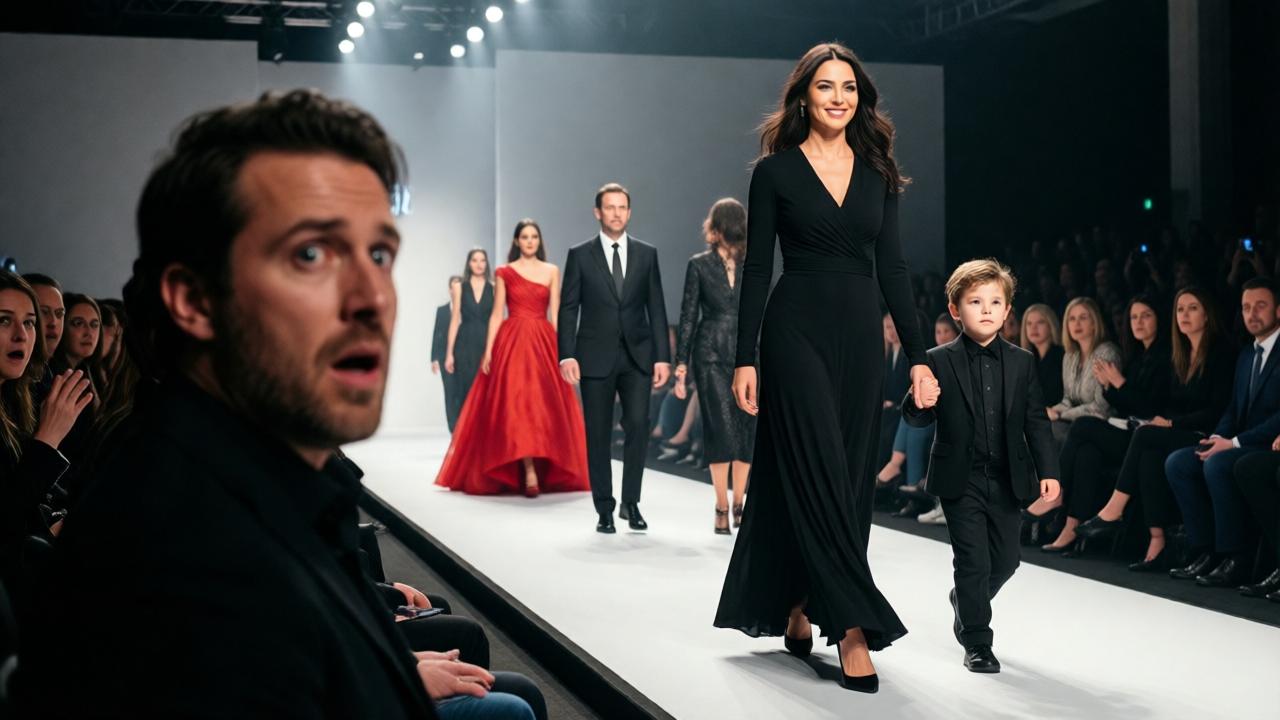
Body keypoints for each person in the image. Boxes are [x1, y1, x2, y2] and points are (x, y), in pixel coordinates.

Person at [18, 89, 534, 720]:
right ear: (194, 300)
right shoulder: (176, 549)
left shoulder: (260, 482)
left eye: (379, 254)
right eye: (311, 255)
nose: (372, 296)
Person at [714, 42, 936, 693]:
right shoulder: (775, 173)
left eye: (848, 87)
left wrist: (919, 358)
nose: (838, 97)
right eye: (825, 86)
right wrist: (745, 356)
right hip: (795, 335)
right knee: (817, 466)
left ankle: (798, 599)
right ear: (804, 97)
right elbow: (759, 267)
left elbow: (894, 267)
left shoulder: (878, 172)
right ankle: (852, 628)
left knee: (846, 477)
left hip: (861, 336)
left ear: (860, 98)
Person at [903, 259, 1060, 674]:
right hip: (961, 477)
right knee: (972, 561)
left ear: (1007, 310)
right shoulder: (936, 360)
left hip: (1008, 477)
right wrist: (919, 400)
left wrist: (1049, 471)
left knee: (1006, 561)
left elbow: (1036, 420)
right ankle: (977, 641)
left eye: (995, 301)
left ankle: (964, 599)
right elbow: (916, 417)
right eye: (975, 301)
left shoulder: (1022, 361)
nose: (986, 309)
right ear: (955, 310)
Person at [1074, 287, 1234, 570]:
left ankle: (1113, 510)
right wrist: (1115, 388)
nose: (1184, 315)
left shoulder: (1221, 354)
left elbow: (1216, 409)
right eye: (1180, 309)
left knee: (1143, 435)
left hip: (1207, 433)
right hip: (1175, 431)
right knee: (1148, 453)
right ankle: (1157, 542)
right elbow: (1170, 404)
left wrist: (1170, 423)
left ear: (1207, 315)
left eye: (1192, 308)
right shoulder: (1182, 354)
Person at [436, 220, 589, 497]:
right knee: (517, 404)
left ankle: (541, 466)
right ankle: (529, 470)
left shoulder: (551, 270)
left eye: (534, 236)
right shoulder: (505, 272)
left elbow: (556, 313)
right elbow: (497, 314)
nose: (530, 241)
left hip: (542, 342)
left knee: (542, 406)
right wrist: (489, 350)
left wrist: (565, 351)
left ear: (539, 241)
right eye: (525, 237)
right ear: (517, 241)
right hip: (513, 342)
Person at [558, 183, 671, 533]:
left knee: (638, 425)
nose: (617, 213)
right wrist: (566, 355)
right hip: (594, 356)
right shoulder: (580, 255)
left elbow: (656, 306)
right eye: (610, 207)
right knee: (598, 433)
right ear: (598, 212)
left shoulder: (646, 254)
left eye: (622, 207)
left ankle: (631, 503)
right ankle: (604, 508)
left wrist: (663, 357)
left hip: (638, 355)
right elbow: (568, 308)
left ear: (629, 212)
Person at [1163, 277, 1280, 588]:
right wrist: (1218, 437)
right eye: (1246, 307)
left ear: (1278, 310)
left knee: (1217, 464)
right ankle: (1204, 551)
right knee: (1179, 462)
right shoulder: (1246, 355)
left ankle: (1236, 557)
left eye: (1260, 306)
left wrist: (1234, 442)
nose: (1252, 313)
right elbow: (1233, 408)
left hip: (1267, 444)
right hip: (1240, 442)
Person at [1037, 295, 1171, 554]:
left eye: (1146, 316)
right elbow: (1122, 403)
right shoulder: (1135, 355)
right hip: (1127, 429)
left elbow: (1138, 406)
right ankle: (1072, 527)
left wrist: (1118, 384)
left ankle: (1055, 494)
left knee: (1081, 428)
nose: (1138, 322)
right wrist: (1054, 411)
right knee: (1087, 453)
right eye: (1134, 317)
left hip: (1133, 433)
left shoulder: (1117, 353)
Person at [0, 271, 92, 605]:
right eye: (4, 320)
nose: (21, 335)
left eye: (28, 322)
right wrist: (47, 440)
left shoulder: (16, 400)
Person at [674, 198, 756, 534]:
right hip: (709, 354)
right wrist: (681, 364)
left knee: (746, 429)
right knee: (720, 429)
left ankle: (740, 503)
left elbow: (763, 311)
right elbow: (688, 315)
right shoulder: (699, 265)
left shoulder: (753, 263)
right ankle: (722, 504)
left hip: (747, 354)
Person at [1046, 296, 1121, 442]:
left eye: (1083, 318)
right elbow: (1068, 399)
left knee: (1054, 429)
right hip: (1075, 423)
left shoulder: (1107, 353)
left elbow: (1102, 407)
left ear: (1094, 323)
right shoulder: (1070, 355)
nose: (1077, 324)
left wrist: (1061, 415)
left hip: (1102, 424)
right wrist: (1052, 411)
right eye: (1072, 319)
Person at [446, 249, 494, 420]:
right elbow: (454, 320)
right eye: (475, 260)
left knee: (487, 391)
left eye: (482, 260)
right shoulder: (459, 287)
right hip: (464, 344)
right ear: (469, 263)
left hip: (487, 343)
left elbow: (498, 319)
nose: (479, 264)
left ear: (487, 263)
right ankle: (466, 432)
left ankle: (484, 432)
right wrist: (449, 353)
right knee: (465, 391)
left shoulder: (494, 288)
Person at [432, 276, 463, 431]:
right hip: (445, 358)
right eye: (453, 287)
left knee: (463, 392)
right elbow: (437, 333)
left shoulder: (469, 310)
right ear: (450, 290)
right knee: (450, 393)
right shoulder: (442, 310)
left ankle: (464, 428)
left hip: (465, 356)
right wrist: (434, 358)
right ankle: (453, 429)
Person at [1019, 303, 1064, 406]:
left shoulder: (1061, 356)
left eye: (1040, 322)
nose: (1033, 328)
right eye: (1029, 323)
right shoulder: (1026, 359)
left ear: (1051, 325)